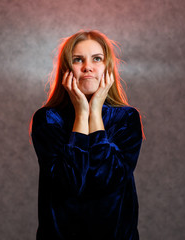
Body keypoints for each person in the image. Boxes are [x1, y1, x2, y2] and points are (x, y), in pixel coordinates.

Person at [31, 30, 143, 240]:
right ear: (66, 69)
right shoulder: (47, 118)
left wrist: (96, 113)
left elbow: (108, 179)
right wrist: (82, 114)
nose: (87, 67)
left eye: (97, 59)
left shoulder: (126, 118)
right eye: (77, 60)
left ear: (107, 67)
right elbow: (70, 183)